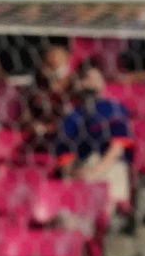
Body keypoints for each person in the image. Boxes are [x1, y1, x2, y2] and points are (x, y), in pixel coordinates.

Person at [54, 62, 133, 211]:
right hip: (81, 166)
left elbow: (118, 147)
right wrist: (74, 172)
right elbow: (64, 152)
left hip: (109, 165)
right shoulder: (73, 115)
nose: (93, 83)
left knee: (113, 174)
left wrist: (95, 172)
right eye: (87, 79)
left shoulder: (114, 108)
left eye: (97, 78)